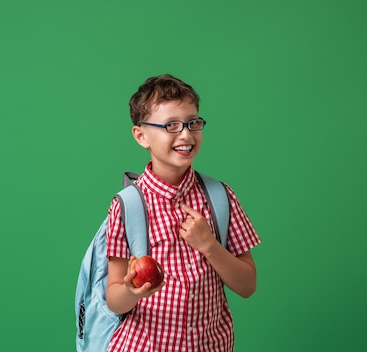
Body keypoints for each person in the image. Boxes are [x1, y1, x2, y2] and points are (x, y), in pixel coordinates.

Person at [105, 74, 261, 352]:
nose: (186, 134)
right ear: (141, 135)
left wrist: (209, 245)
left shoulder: (221, 197)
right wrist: (131, 291)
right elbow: (114, 299)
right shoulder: (128, 206)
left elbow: (247, 285)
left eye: (193, 123)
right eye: (171, 126)